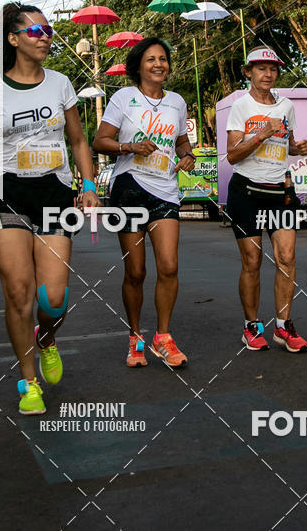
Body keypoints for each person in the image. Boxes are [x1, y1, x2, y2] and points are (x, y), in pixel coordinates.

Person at [0, 2, 98, 416]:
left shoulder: (60, 83)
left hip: (54, 193)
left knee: (54, 300)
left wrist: (89, 185)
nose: (45, 37)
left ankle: (47, 337)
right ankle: (28, 381)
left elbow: (77, 140)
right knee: (18, 292)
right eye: (36, 31)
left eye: (48, 30)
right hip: (6, 193)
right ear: (14, 39)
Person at [93, 37, 195, 369]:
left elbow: (182, 142)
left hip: (165, 190)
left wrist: (188, 156)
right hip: (130, 189)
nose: (158, 64)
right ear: (138, 66)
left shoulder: (177, 102)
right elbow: (100, 141)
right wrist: (129, 147)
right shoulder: (124, 98)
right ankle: (135, 337)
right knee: (135, 271)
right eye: (151, 59)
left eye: (163, 59)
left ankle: (162, 337)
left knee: (169, 266)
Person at [225, 47, 307, 353]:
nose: (268, 74)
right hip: (246, 191)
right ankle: (251, 326)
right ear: (248, 72)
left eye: (273, 69)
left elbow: (287, 144)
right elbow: (232, 155)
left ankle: (283, 326)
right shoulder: (240, 106)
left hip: (279, 192)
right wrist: (260, 134)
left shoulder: (286, 105)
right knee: (252, 261)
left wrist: (298, 149)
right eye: (261, 68)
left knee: (287, 257)